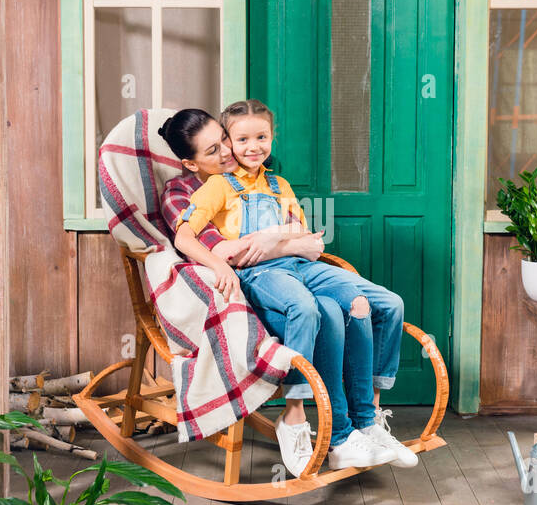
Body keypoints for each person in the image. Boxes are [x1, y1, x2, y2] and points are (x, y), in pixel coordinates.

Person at [169, 100, 415, 474]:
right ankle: (295, 413)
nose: (252, 147)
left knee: (384, 303)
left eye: (262, 137)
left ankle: (368, 418)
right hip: (265, 276)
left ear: (272, 137)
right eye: (241, 139)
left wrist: (275, 238)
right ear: (231, 143)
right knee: (306, 307)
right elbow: (185, 235)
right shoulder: (218, 186)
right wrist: (236, 258)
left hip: (301, 264)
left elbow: (305, 236)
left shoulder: (278, 183)